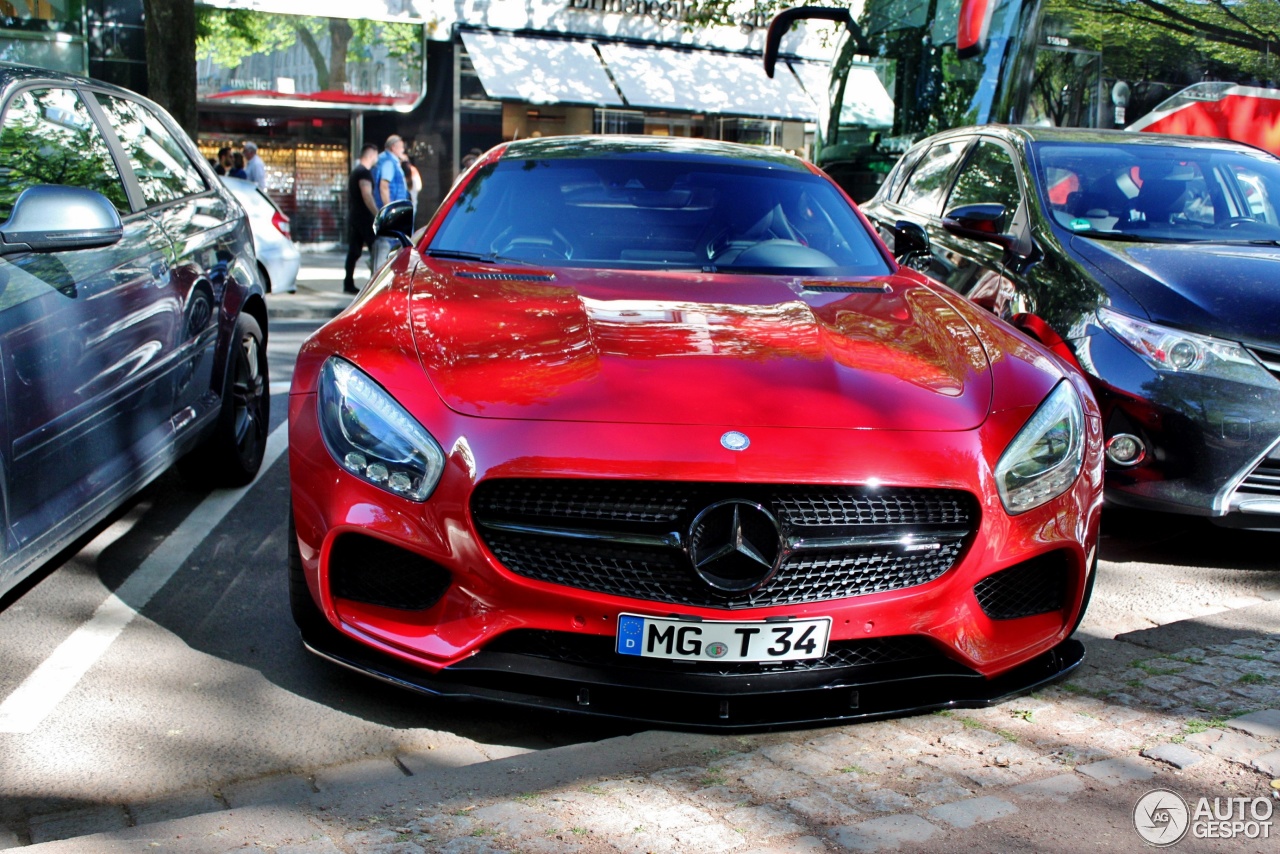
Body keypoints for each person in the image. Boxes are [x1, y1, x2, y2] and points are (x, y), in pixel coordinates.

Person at [344, 143, 380, 294]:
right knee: (376, 249)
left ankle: (348, 283)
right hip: (364, 218)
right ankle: (376, 283)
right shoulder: (363, 173)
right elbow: (367, 195)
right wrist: (377, 213)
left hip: (355, 216)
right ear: (371, 155)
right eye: (376, 155)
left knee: (354, 252)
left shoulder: (355, 172)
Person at [370, 134, 410, 271]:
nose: (403, 150)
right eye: (401, 147)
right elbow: (384, 186)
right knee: (384, 246)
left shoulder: (384, 160)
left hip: (387, 212)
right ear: (393, 147)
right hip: (389, 213)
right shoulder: (388, 162)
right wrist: (390, 211)